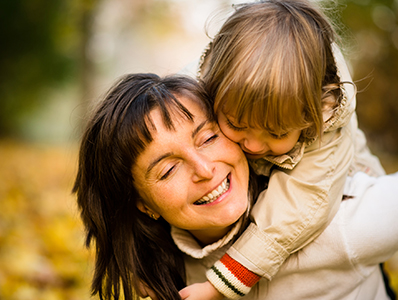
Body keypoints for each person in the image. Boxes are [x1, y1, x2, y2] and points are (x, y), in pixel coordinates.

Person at [72, 73, 398, 300]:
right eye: (169, 169)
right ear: (143, 205)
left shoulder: (335, 223)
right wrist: (134, 262)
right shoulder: (165, 273)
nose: (203, 169)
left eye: (209, 137)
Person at [178, 0, 387, 298]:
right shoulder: (198, 85)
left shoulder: (325, 134)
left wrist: (220, 286)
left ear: (312, 114)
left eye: (275, 133)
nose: (252, 144)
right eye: (236, 124)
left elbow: (295, 213)